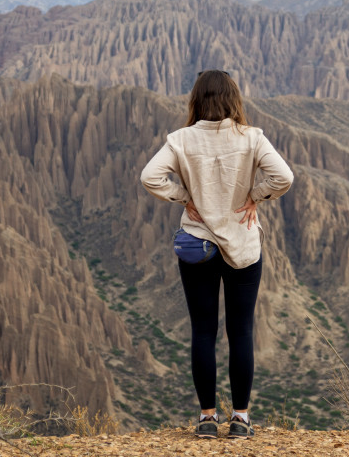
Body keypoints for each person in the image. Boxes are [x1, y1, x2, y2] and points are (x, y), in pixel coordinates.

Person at [140, 70, 294, 440]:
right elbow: (284, 177)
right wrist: (255, 197)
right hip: (242, 245)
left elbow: (150, 176)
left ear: (197, 100)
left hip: (198, 246)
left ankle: (207, 419)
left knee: (203, 332)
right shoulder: (251, 137)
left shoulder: (181, 139)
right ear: (233, 100)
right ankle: (240, 419)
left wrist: (184, 198)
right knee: (240, 331)